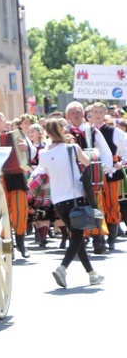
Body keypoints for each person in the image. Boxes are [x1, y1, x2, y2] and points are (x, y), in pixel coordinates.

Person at [38, 119, 104, 288]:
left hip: (59, 200)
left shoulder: (43, 154)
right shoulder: (72, 148)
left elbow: (44, 171)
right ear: (61, 131)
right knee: (77, 236)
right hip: (76, 197)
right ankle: (62, 268)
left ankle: (92, 274)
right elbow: (88, 162)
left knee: (76, 236)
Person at [65, 101, 114, 254]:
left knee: (95, 205)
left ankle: (98, 239)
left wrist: (106, 167)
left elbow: (104, 149)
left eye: (79, 111)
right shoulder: (63, 132)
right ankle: (79, 240)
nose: (77, 114)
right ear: (67, 116)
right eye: (73, 112)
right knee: (74, 205)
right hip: (71, 175)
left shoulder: (91, 129)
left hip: (91, 173)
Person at [0, 110, 36, 258]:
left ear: (5, 121)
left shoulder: (17, 135)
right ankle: (6, 244)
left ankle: (21, 242)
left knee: (20, 209)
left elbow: (33, 151)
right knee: (1, 212)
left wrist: (26, 148)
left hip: (16, 175)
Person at [87, 102, 127, 250]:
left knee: (112, 204)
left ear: (104, 114)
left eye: (100, 112)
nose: (97, 115)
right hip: (93, 173)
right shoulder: (87, 131)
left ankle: (111, 239)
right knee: (97, 205)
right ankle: (99, 237)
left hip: (111, 172)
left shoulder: (113, 131)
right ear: (90, 114)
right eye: (95, 112)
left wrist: (121, 163)